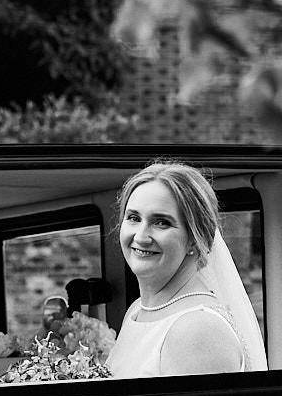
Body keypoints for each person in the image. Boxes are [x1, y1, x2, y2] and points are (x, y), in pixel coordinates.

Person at [105, 160, 268, 379]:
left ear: (194, 239)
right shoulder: (138, 311)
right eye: (134, 218)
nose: (141, 237)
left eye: (161, 222)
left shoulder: (198, 330)